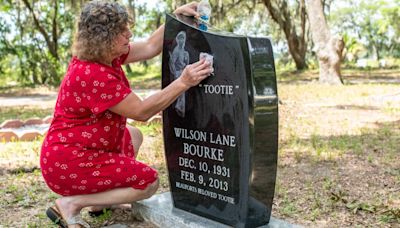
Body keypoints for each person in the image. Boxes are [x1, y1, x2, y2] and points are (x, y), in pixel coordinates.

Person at [40, 1, 213, 227]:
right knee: (148, 183)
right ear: (103, 39)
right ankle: (72, 204)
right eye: (122, 31)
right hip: (70, 161)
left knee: (134, 135)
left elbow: (152, 46)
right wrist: (183, 82)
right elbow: (142, 111)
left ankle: (100, 202)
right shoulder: (93, 74)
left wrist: (175, 18)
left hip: (82, 149)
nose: (129, 34)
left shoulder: (105, 56)